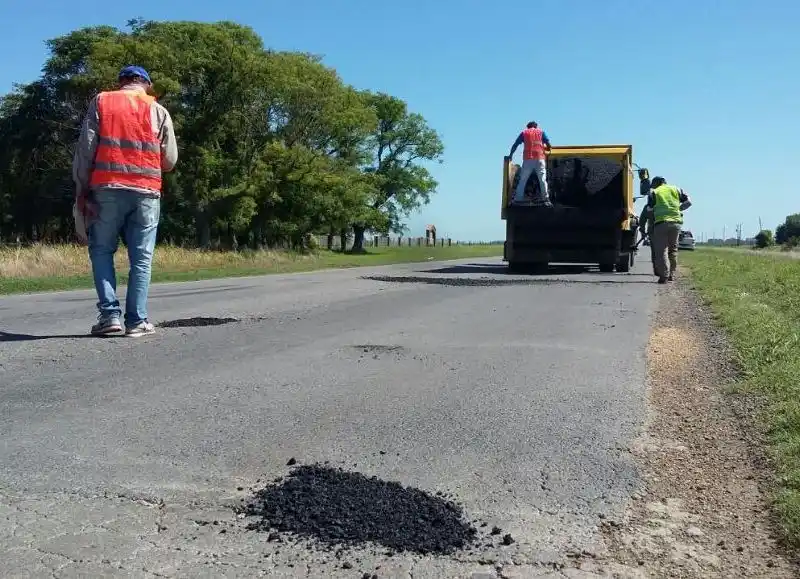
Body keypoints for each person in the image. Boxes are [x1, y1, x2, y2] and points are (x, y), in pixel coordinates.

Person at [72, 65, 178, 337]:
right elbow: (169, 161)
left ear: (121, 82)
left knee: (101, 250)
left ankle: (109, 316)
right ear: (146, 84)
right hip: (147, 192)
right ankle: (137, 321)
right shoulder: (158, 110)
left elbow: (86, 150)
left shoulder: (102, 101)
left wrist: (81, 188)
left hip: (106, 189)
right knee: (141, 258)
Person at [647, 176, 692, 284]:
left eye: (653, 185)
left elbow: (649, 209)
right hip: (676, 224)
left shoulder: (654, 192)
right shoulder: (677, 189)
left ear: (657, 183)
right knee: (673, 250)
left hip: (661, 223)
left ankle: (664, 276)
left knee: (661, 250)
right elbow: (689, 202)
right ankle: (671, 274)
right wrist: (679, 209)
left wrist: (651, 223)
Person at [507, 121, 552, 206]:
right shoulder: (541, 132)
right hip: (540, 159)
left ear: (528, 127)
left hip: (528, 160)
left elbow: (515, 145)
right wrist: (547, 149)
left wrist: (510, 155)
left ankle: (518, 199)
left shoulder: (524, 133)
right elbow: (549, 145)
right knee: (542, 180)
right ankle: (546, 199)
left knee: (523, 180)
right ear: (536, 126)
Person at [637, 203, 657, 275]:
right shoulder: (670, 204)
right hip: (668, 230)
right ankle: (669, 272)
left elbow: (642, 219)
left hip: (653, 231)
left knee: (655, 251)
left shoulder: (650, 205)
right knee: (669, 251)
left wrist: (643, 231)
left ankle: (657, 270)